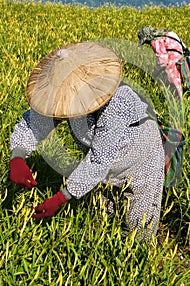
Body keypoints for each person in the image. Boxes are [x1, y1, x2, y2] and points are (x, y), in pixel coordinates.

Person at [9, 41, 165, 240]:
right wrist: (18, 156)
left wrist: (60, 198)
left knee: (138, 225)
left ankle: (141, 258)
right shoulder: (61, 96)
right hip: (102, 160)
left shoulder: (117, 104)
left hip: (140, 157)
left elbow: (99, 160)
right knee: (105, 215)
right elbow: (33, 124)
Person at [138, 25, 188, 99]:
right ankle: (185, 99)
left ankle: (179, 104)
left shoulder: (155, 40)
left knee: (175, 87)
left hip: (172, 63)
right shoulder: (169, 33)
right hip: (182, 59)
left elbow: (162, 60)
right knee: (181, 82)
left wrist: (154, 73)